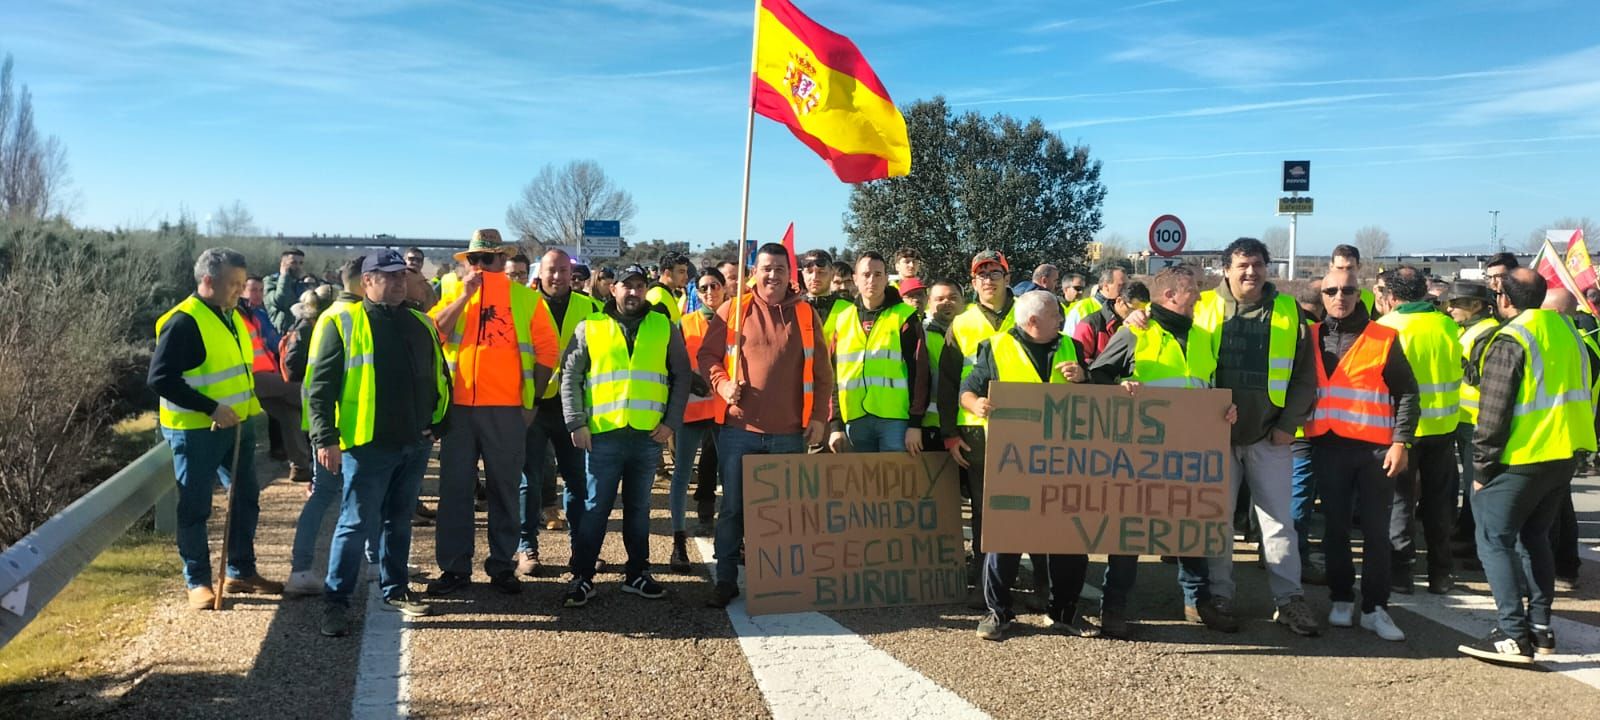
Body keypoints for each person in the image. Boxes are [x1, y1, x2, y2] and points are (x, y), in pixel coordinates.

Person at [306, 250, 451, 636]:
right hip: (367, 444)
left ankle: (396, 588)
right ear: (367, 281)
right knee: (354, 524)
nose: (401, 282)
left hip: (414, 442)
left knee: (399, 520)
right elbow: (320, 388)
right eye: (390, 276)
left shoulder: (420, 321)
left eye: (403, 276)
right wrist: (325, 438)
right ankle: (335, 604)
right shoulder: (342, 321)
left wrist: (440, 423)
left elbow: (441, 377)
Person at [1087, 266, 1236, 637]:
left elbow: (1208, 385)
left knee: (1192, 527)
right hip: (1141, 453)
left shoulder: (1203, 336)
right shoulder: (1136, 332)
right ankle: (1114, 607)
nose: (1200, 296)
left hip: (1192, 451)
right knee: (1130, 531)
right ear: (1170, 295)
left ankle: (1197, 603)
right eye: (1193, 290)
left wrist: (1226, 409)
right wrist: (1123, 387)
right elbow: (1098, 377)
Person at [1460, 267, 1597, 664]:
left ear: (1504, 299)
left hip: (1520, 457)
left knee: (1494, 540)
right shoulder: (1568, 332)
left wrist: (1482, 468)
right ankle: (1541, 628)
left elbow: (1494, 410)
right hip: (1563, 454)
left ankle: (1512, 634)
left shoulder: (1513, 337)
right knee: (1534, 538)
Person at [1190, 237, 1320, 636]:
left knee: (1279, 524)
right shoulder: (1204, 308)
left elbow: (1304, 374)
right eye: (1243, 265)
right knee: (1218, 523)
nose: (1251, 272)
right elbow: (1184, 363)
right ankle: (1221, 596)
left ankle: (1290, 600)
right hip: (1216, 438)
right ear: (1226, 269)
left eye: (1258, 264)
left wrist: (1286, 426)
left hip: (1270, 438)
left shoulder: (1286, 309)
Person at [427, 229, 560, 596]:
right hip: (458, 411)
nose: (480, 266)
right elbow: (433, 334)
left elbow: (549, 352)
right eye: (475, 259)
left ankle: (502, 566)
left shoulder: (525, 300)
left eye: (488, 259)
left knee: (504, 490)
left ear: (503, 261)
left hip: (507, 410)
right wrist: (463, 297)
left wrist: (531, 402)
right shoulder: (453, 294)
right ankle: (454, 569)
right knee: (454, 492)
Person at [700, 243, 833, 608]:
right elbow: (707, 356)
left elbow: (823, 373)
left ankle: (778, 583)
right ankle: (725, 579)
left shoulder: (805, 314)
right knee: (733, 511)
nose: (772, 275)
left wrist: (820, 417)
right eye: (765, 268)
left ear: (790, 274)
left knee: (783, 513)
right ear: (754, 272)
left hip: (790, 433)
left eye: (779, 268)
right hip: (739, 431)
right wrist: (724, 385)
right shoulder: (734, 309)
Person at [148, 247, 281, 609]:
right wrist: (210, 408)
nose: (241, 290)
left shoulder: (231, 315)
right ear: (208, 281)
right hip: (195, 430)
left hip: (235, 426)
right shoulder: (183, 321)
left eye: (242, 282)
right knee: (195, 508)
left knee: (245, 499)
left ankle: (240, 571)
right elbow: (160, 379)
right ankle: (198, 582)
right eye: (234, 284)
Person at [559, 265, 692, 607]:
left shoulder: (664, 325)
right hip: (603, 435)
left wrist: (671, 422)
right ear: (612, 289)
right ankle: (583, 576)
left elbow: (681, 376)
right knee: (595, 509)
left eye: (638, 286)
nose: (632, 293)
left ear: (645, 289)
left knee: (638, 509)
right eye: (626, 286)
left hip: (648, 436)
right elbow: (570, 376)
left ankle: (637, 573)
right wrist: (576, 423)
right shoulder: (591, 326)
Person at [964, 291, 1093, 640]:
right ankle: (998, 614)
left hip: (1065, 461)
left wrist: (1083, 377)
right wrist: (976, 405)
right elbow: (968, 390)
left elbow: (1093, 400)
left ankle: (1064, 612)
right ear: (1033, 321)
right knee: (1005, 539)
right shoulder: (994, 347)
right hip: (1013, 462)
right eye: (1056, 314)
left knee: (1069, 538)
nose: (1062, 320)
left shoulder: (1072, 347)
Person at [1305, 267, 1420, 642]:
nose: (1340, 297)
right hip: (1328, 446)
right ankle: (1340, 598)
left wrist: (1401, 442)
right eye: (1332, 291)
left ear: (1361, 295)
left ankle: (1375, 608)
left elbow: (1407, 394)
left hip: (1375, 451)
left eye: (1348, 290)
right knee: (1335, 529)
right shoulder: (1309, 337)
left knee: (1375, 532)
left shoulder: (1383, 337)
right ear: (1321, 296)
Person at [941, 251, 1029, 601]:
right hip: (976, 428)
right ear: (973, 282)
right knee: (984, 509)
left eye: (995, 273)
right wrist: (950, 433)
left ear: (1008, 277)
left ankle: (1038, 583)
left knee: (1031, 504)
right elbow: (947, 384)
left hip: (1029, 425)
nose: (988, 279)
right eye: (981, 275)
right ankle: (984, 582)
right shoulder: (961, 323)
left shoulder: (1030, 311)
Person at [1375, 265, 1463, 595]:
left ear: (1391, 296)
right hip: (1444, 427)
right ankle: (1441, 574)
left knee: (1400, 502)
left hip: (1400, 432)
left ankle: (1401, 574)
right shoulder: (1447, 325)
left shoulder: (1386, 327)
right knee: (1439, 504)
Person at [515, 249, 600, 577]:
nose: (557, 277)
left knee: (577, 480)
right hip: (533, 404)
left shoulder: (590, 307)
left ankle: (580, 548)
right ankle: (526, 546)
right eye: (552, 270)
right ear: (541, 272)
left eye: (563, 270)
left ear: (572, 273)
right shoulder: (524, 303)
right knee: (530, 480)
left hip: (573, 407)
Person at [827, 252, 929, 453]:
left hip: (896, 421)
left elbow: (920, 374)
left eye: (878, 274)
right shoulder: (842, 319)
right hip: (854, 421)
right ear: (855, 279)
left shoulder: (904, 316)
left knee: (896, 483)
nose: (871, 280)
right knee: (860, 483)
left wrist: (915, 424)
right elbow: (833, 376)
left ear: (886, 278)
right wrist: (835, 425)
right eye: (865, 274)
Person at [669, 268, 728, 570]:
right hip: (691, 410)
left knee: (730, 476)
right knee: (681, 475)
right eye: (703, 288)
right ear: (696, 292)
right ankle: (678, 541)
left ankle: (732, 540)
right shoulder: (684, 324)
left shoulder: (736, 321)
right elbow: (674, 364)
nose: (709, 293)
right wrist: (691, 379)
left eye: (714, 286)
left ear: (724, 288)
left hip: (723, 411)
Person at [1447, 281, 1498, 565]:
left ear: (1477, 306)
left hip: (1476, 421)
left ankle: (1479, 548)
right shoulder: (1468, 330)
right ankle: (1468, 537)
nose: (1450, 308)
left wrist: (1454, 357)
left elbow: (1478, 377)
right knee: (1470, 486)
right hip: (1463, 418)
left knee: (1477, 487)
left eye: (1457, 303)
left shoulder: (1486, 333)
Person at [919, 279, 962, 455]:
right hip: (930, 424)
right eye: (939, 299)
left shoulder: (975, 332)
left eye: (952, 297)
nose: (946, 303)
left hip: (968, 421)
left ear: (963, 301)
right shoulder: (919, 333)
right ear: (929, 303)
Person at [1073, 279, 1148, 363]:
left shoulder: (1145, 322)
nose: (1138, 315)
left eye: (1143, 311)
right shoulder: (1090, 324)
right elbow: (1079, 360)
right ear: (1119, 301)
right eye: (1133, 309)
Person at [799, 249, 852, 344]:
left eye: (821, 272)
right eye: (810, 272)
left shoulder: (849, 309)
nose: (814, 277)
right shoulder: (793, 309)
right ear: (803, 274)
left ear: (832, 274)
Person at [1062, 265, 1126, 337]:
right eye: (1121, 286)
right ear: (1106, 286)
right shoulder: (1082, 308)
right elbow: (1069, 340)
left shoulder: (1126, 308)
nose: (1126, 289)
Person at [265, 248, 311, 334]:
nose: (298, 267)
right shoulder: (271, 281)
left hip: (298, 335)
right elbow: (281, 301)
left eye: (301, 263)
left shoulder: (301, 283)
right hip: (278, 335)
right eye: (293, 263)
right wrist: (285, 276)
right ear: (283, 264)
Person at [647, 252, 691, 323]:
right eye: (681, 272)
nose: (686, 277)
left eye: (686, 272)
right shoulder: (658, 297)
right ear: (667, 273)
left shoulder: (666, 293)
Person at [1329, 245, 1376, 312]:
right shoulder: (1322, 295)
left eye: (1349, 268)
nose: (1344, 273)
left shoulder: (1370, 298)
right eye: (1339, 268)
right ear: (1331, 267)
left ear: (1359, 267)